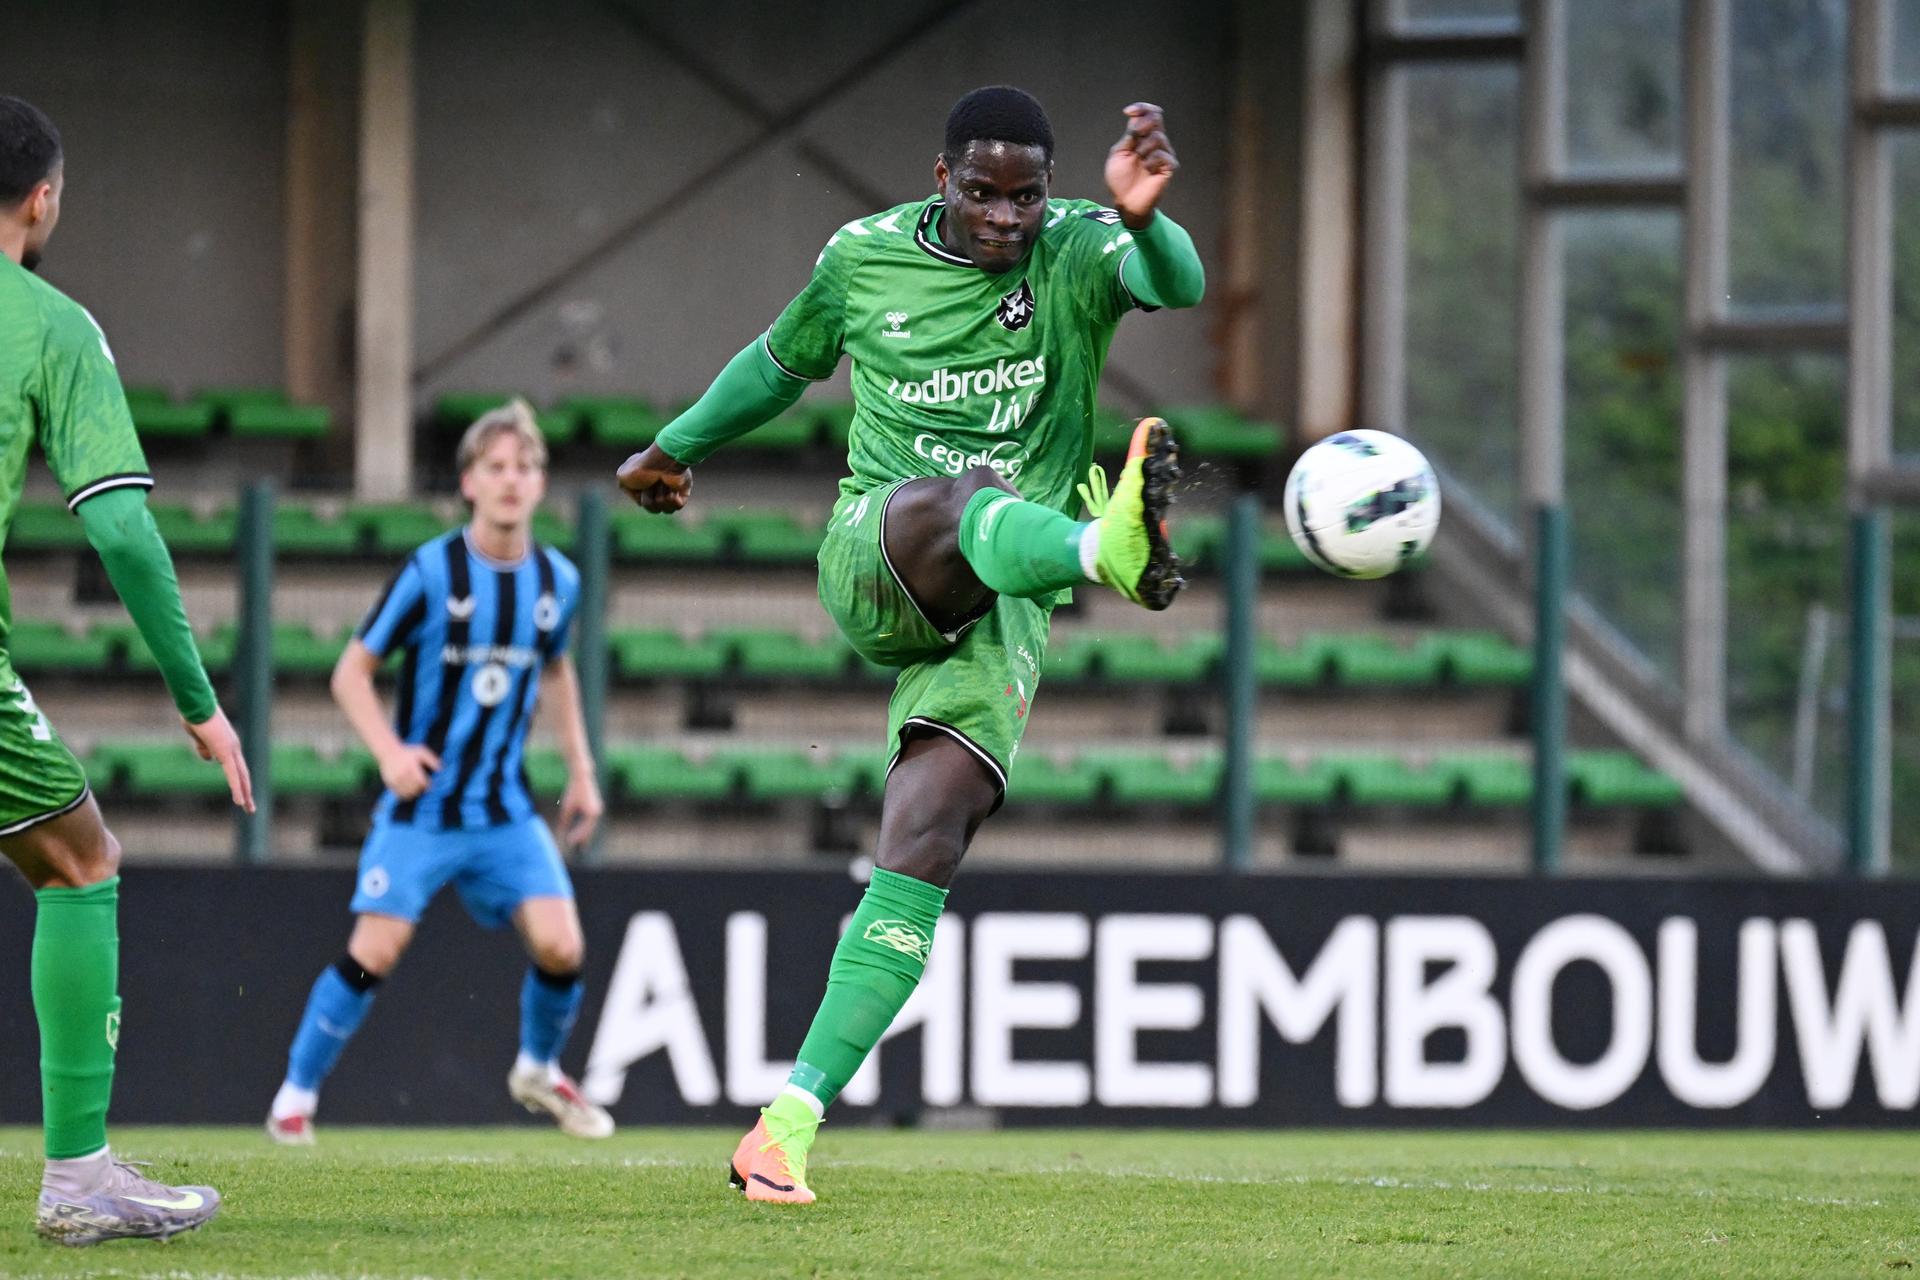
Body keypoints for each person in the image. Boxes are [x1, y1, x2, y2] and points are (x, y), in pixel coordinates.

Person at [616, 86, 1204, 1203]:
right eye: (982, 193)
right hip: (883, 547)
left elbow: (1179, 284)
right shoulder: (861, 257)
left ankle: (783, 1126)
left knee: (924, 840)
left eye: (1025, 196)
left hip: (1006, 595)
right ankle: (1104, 548)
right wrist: (671, 446)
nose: (1005, 218)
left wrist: (1140, 217)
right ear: (943, 179)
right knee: (965, 491)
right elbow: (778, 364)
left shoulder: (1080, 245)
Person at [0, 95, 254, 1245]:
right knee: (78, 857)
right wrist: (200, 703)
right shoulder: (48, 321)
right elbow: (121, 532)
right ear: (43, 196)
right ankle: (78, 1173)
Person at [266, 401, 611, 1143]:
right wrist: (389, 753)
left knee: (563, 947)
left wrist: (580, 771)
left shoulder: (558, 582)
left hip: (503, 811)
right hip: (422, 811)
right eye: (496, 468)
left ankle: (537, 1068)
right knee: (374, 952)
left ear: (542, 484)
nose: (511, 481)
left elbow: (557, 672)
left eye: (524, 468)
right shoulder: (431, 572)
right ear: (468, 483)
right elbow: (350, 673)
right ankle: (295, 1094)